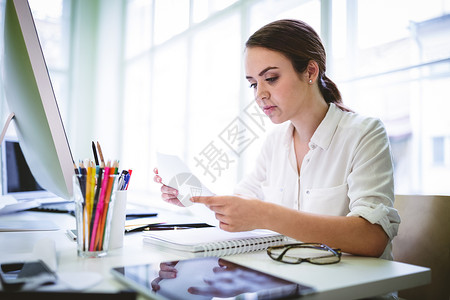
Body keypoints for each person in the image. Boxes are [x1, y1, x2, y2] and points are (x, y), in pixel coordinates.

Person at [154, 19, 400, 260]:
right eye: (253, 84)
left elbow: (372, 237)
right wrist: (195, 198)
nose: (260, 94)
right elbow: (243, 203)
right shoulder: (275, 142)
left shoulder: (364, 133)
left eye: (270, 78)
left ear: (310, 72)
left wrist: (267, 214)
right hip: (291, 281)